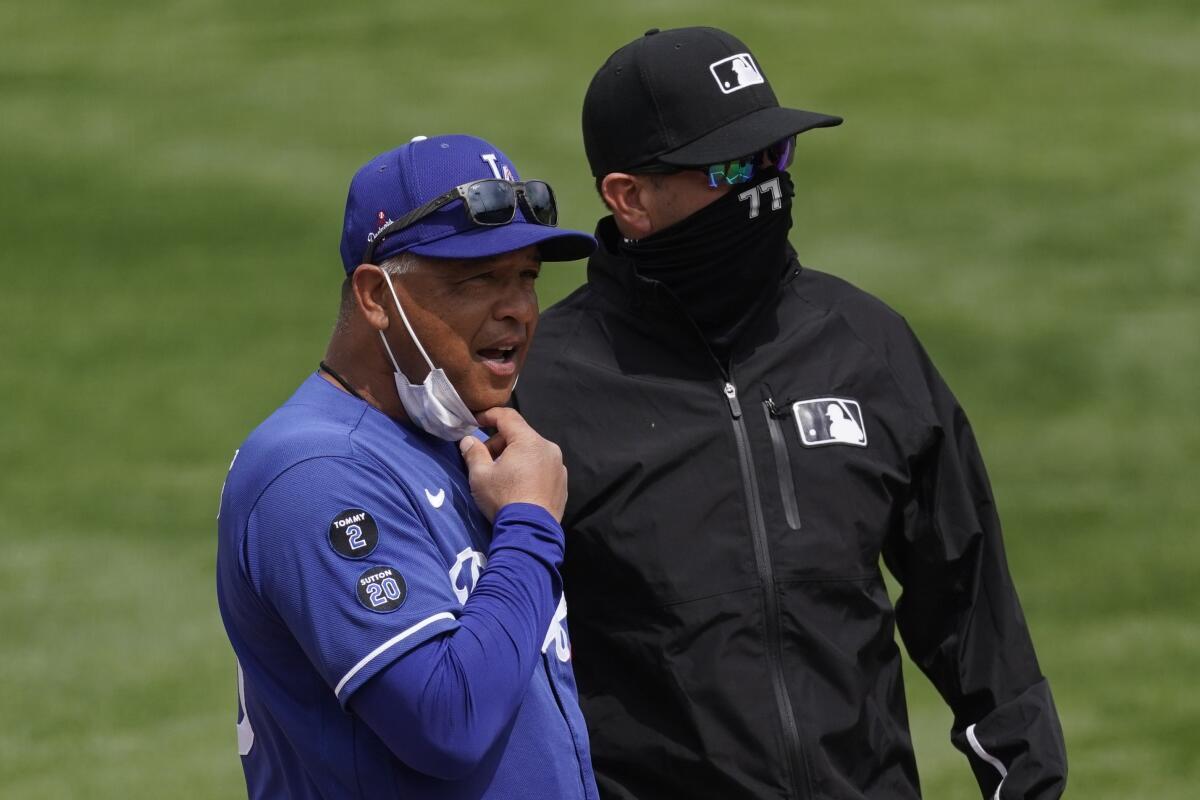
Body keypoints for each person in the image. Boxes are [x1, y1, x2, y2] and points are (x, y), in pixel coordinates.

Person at [514, 26, 1068, 800]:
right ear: (628, 198)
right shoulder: (542, 389)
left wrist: (1028, 781)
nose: (763, 186)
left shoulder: (864, 344)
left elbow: (970, 603)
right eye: (731, 167)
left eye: (775, 156)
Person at [215, 133, 600, 799]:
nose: (517, 308)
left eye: (527, 276)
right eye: (477, 278)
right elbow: (444, 720)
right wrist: (532, 527)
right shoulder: (314, 472)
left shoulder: (463, 441)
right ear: (374, 296)